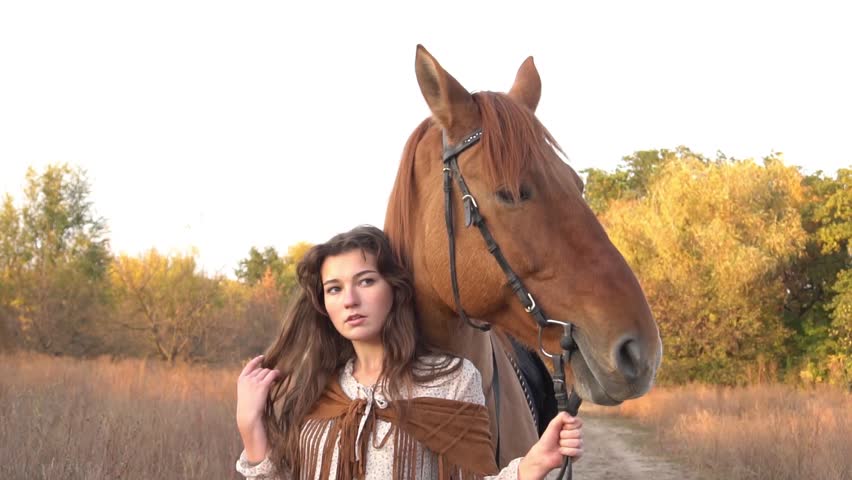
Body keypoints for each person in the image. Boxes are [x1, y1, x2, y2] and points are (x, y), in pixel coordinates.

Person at [235, 225, 583, 479]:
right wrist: (250, 425)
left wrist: (534, 463)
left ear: (395, 289)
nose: (350, 300)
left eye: (366, 281)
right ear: (324, 303)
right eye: (334, 289)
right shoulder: (319, 387)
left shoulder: (451, 379)